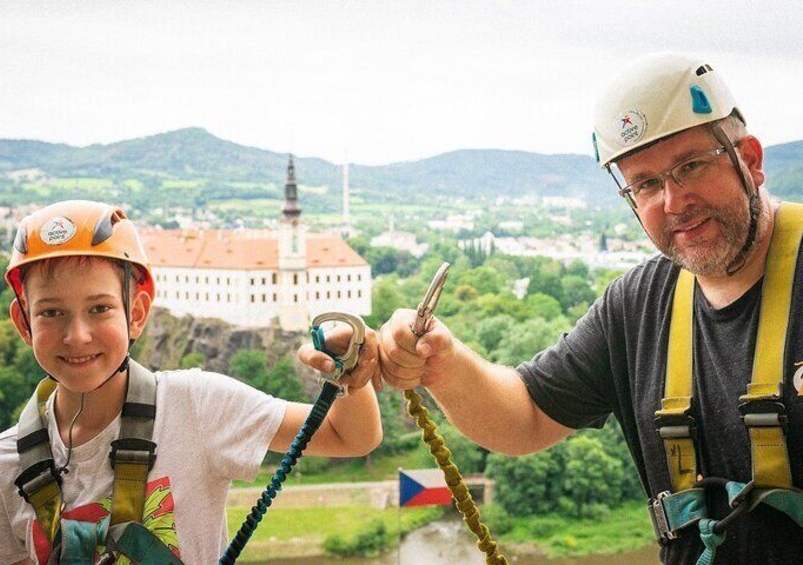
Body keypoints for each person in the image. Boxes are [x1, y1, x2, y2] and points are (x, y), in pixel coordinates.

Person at [300, 52, 803, 564]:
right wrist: (442, 363)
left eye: (690, 166)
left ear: (751, 160)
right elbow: (526, 416)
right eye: (646, 184)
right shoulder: (637, 307)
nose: (673, 202)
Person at [0, 200, 383, 565]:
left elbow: (349, 436)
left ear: (138, 313)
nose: (78, 335)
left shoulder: (195, 406)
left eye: (100, 308)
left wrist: (351, 374)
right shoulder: (1, 464)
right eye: (51, 313)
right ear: (23, 323)